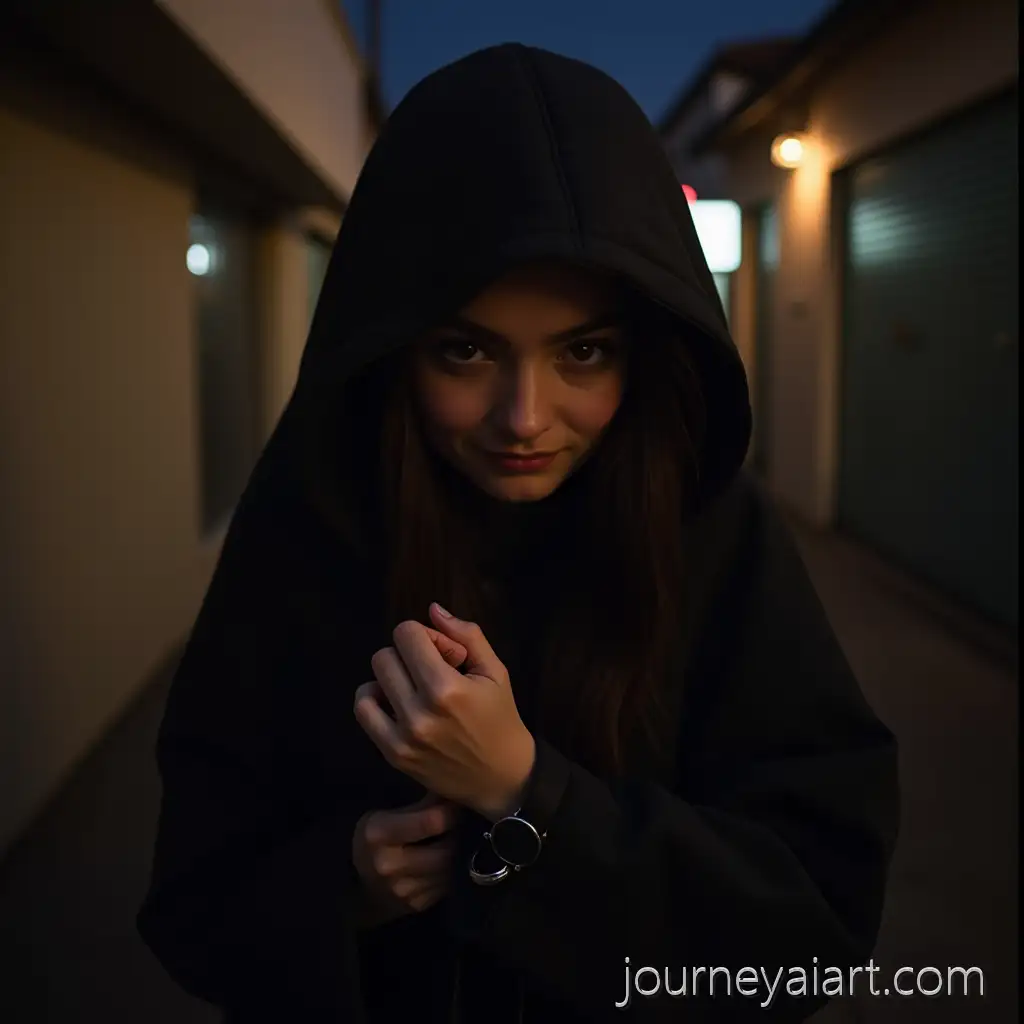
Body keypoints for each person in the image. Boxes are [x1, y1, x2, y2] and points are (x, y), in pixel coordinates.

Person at [137, 44, 899, 1023]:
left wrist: (530, 797)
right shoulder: (308, 525)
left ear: (646, 350)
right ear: (393, 350)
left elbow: (818, 918)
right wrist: (344, 885)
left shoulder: (713, 532)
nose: (525, 417)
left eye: (583, 351)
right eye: (465, 349)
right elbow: (191, 892)